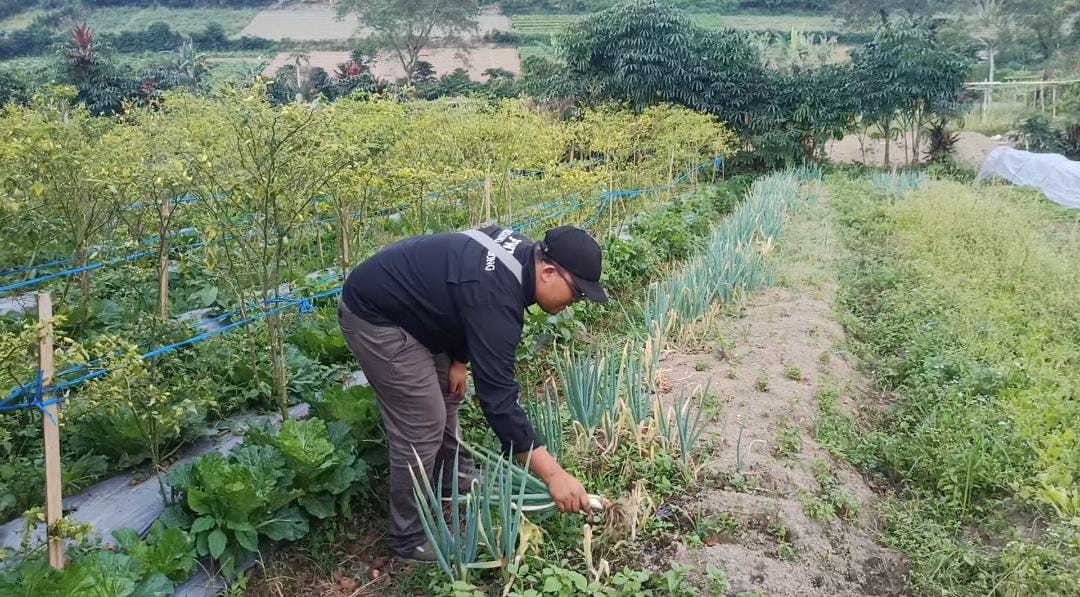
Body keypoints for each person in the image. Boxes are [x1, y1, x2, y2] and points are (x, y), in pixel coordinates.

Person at [338, 225, 608, 562]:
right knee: (422, 423)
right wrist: (554, 476)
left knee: (449, 395)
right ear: (549, 271)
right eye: (576, 292)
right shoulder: (497, 296)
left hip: (418, 310)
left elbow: (463, 298)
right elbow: (497, 400)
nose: (574, 302)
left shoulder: (522, 258)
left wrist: (459, 360)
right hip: (377, 315)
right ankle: (408, 538)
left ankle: (452, 478)